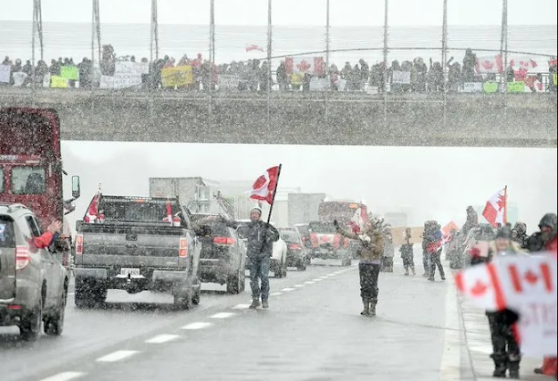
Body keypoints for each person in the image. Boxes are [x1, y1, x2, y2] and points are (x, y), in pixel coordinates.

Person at [471, 227, 526, 379]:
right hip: (494, 306)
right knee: (497, 338)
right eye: (499, 239)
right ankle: (500, 368)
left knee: (514, 338)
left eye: (505, 239)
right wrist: (477, 257)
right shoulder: (488, 256)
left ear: (510, 241)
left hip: (514, 306)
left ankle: (514, 368)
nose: (502, 242)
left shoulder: (519, 257)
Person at [219, 207, 279, 309]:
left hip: (264, 255)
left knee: (264, 277)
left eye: (256, 214)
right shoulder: (248, 226)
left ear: (259, 216)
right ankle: (255, 299)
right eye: (252, 214)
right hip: (253, 255)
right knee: (253, 278)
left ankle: (264, 299)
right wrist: (225, 221)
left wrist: (268, 237)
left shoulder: (266, 226)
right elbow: (235, 225)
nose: (254, 215)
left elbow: (276, 236)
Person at [334, 218, 384, 316]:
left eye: (369, 223)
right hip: (363, 263)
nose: (366, 225)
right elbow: (350, 235)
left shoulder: (378, 236)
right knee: (364, 285)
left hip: (374, 264)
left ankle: (372, 307)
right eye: (367, 223)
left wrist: (369, 245)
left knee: (372, 286)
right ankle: (365, 307)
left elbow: (379, 250)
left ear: (373, 225)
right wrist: (338, 228)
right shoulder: (363, 235)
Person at [532, 213, 558, 378]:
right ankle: (548, 367)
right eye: (542, 228)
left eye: (547, 228)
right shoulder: (546, 245)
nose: (544, 231)